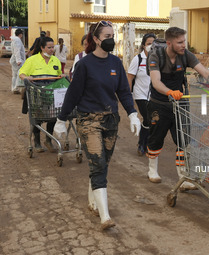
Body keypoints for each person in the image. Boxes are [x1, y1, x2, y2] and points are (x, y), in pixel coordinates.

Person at [53, 21, 141, 230]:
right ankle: (105, 217)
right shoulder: (84, 64)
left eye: (113, 35)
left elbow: (123, 92)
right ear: (95, 39)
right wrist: (61, 119)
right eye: (107, 36)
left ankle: (93, 201)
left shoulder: (116, 63)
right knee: (99, 164)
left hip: (111, 120)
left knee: (101, 164)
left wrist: (133, 113)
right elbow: (73, 94)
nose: (111, 39)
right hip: (88, 120)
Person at [146, 27, 209, 190]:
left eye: (184, 41)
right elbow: (156, 82)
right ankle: (152, 170)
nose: (183, 45)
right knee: (156, 138)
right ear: (169, 43)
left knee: (183, 140)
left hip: (181, 103)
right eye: (179, 42)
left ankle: (183, 177)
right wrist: (169, 92)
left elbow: (204, 72)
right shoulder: (156, 55)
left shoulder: (186, 55)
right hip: (160, 103)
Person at [19, 36, 63, 153]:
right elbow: (21, 73)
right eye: (49, 47)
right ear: (42, 48)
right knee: (37, 118)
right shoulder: (32, 60)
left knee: (53, 117)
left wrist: (62, 76)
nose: (51, 50)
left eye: (53, 47)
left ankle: (48, 140)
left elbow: (59, 75)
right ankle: (37, 142)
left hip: (51, 94)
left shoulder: (56, 60)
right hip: (36, 94)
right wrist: (26, 78)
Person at [127, 33, 156, 156]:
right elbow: (130, 78)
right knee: (148, 118)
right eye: (149, 44)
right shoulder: (137, 59)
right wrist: (128, 96)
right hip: (140, 95)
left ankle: (144, 143)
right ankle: (143, 145)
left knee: (151, 120)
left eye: (153, 44)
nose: (151, 46)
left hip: (154, 96)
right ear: (144, 45)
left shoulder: (158, 59)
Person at [10, 29, 25, 94]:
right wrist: (18, 60)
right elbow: (17, 51)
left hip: (15, 59)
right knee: (18, 74)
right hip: (17, 61)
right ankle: (16, 88)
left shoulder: (15, 40)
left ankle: (14, 88)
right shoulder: (17, 40)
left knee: (15, 75)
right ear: (20, 34)